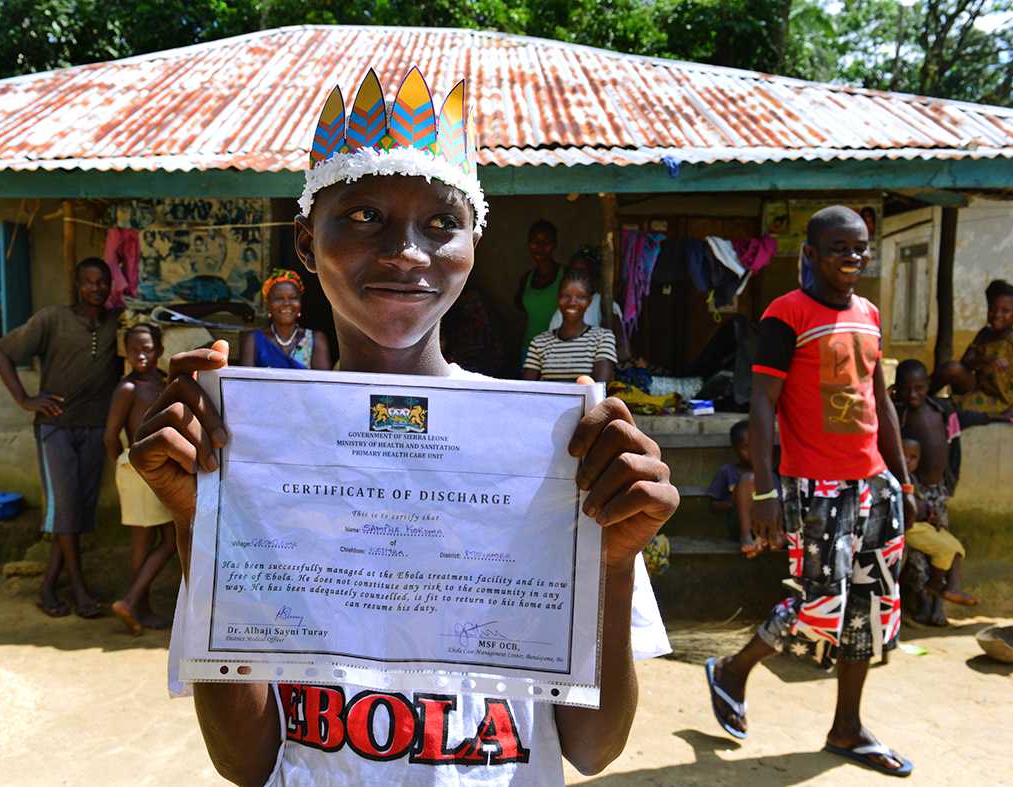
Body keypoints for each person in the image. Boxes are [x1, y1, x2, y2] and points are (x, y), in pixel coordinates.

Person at [130, 67, 678, 786]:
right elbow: (245, 759)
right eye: (364, 216)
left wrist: (610, 562)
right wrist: (198, 525)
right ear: (305, 242)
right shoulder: (255, 453)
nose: (406, 251)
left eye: (442, 224)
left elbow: (593, 748)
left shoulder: (551, 454)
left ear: (474, 245)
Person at [704, 206, 917, 777]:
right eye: (839, 247)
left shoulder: (869, 314)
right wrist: (766, 490)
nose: (853, 256)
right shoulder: (787, 313)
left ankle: (847, 727)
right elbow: (762, 402)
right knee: (820, 603)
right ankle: (733, 670)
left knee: (869, 608)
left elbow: (880, 398)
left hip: (874, 482)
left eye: (860, 247)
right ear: (813, 254)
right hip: (815, 486)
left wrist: (901, 477)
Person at [0, 257, 121, 619]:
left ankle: (48, 585)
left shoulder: (116, 322)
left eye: (102, 282)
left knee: (77, 511)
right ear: (77, 285)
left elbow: (164, 318)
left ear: (111, 285)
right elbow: (0, 351)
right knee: (65, 509)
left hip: (95, 428)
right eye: (88, 281)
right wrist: (25, 399)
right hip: (56, 428)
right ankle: (78, 588)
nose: (96, 288)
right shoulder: (52, 319)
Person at [105, 324, 177, 635]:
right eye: (134, 350)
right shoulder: (128, 388)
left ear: (159, 350)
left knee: (153, 540)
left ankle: (139, 607)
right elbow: (110, 437)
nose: (141, 355)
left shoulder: (164, 382)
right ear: (126, 353)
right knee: (161, 539)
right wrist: (126, 464)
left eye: (147, 349)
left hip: (158, 468)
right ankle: (133, 602)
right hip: (137, 468)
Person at [893, 360, 981, 608]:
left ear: (928, 385)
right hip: (913, 492)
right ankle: (917, 607)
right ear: (897, 389)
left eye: (919, 388)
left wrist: (950, 481)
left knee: (942, 547)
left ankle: (936, 608)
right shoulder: (898, 416)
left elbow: (955, 446)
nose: (913, 394)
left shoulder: (943, 411)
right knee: (916, 558)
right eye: (906, 389)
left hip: (938, 492)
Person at [932, 279, 1013, 433]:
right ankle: (922, 396)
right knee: (951, 369)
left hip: (1000, 401)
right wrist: (985, 360)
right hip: (975, 389)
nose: (997, 315)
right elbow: (964, 364)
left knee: (944, 410)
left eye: (1005, 311)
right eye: (993, 309)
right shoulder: (985, 334)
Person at [522, 269, 618, 384]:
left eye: (581, 296)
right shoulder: (539, 343)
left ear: (589, 301)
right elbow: (527, 388)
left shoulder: (602, 338)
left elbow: (599, 388)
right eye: (566, 296)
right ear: (558, 298)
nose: (572, 302)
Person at [707, 420, 780, 558]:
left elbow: (778, 502)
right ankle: (746, 537)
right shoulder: (727, 471)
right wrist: (739, 502)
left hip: (767, 522)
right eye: (746, 447)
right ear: (735, 449)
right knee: (748, 479)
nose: (753, 452)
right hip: (739, 523)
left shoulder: (770, 474)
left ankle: (771, 537)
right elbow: (713, 505)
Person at [239, 268, 332, 370]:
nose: (286, 303)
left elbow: (323, 379)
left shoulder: (316, 340)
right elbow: (245, 379)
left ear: (300, 303)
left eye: (293, 298)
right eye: (279, 298)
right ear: (268, 304)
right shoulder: (253, 340)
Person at [515, 219, 564, 362]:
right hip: (530, 349)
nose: (539, 247)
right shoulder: (526, 279)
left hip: (558, 350)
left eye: (546, 242)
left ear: (554, 244)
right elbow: (524, 316)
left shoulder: (565, 276)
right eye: (534, 241)